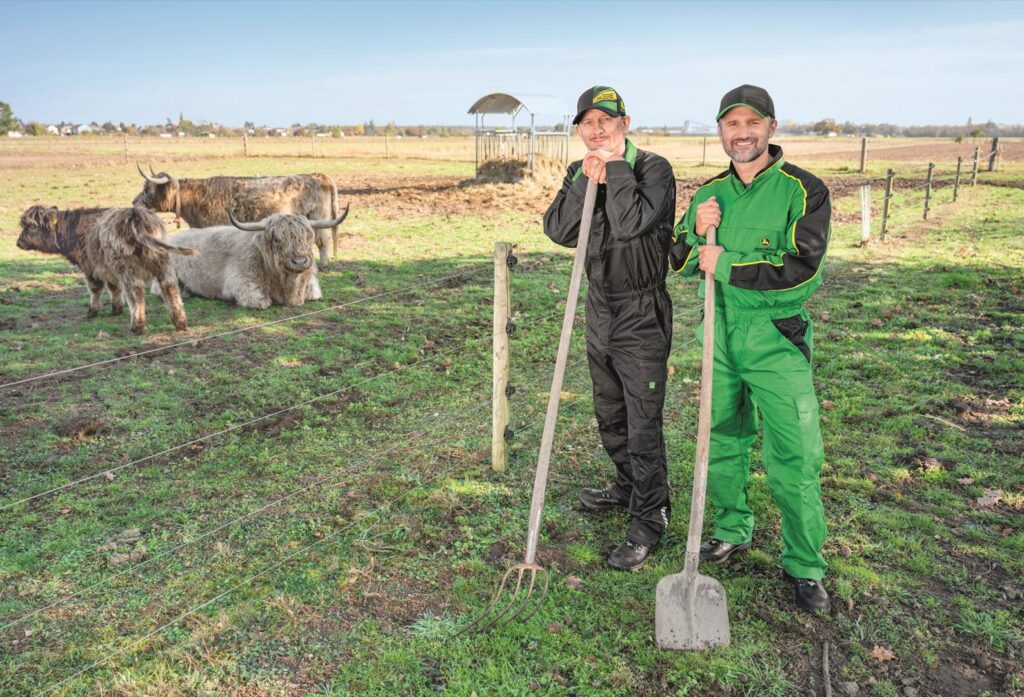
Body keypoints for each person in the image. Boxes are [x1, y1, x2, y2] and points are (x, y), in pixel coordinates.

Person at [670, 85, 832, 612]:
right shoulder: (708, 193)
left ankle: (805, 565)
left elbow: (801, 272)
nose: (742, 133)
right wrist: (696, 233)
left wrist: (726, 261)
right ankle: (731, 528)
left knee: (795, 452)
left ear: (772, 128)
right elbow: (675, 257)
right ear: (720, 131)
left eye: (752, 123)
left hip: (775, 337)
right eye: (731, 124)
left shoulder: (803, 190)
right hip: (718, 333)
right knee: (720, 437)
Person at [544, 86, 676, 571]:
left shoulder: (654, 170)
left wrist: (615, 169)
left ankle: (650, 517)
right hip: (600, 308)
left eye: (607, 120)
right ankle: (626, 486)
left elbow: (629, 223)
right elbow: (558, 229)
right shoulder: (580, 170)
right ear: (579, 129)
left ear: (626, 123)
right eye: (588, 123)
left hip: (641, 311)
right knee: (610, 412)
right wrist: (584, 181)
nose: (597, 130)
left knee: (642, 422)